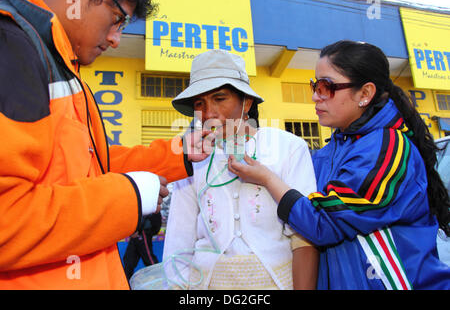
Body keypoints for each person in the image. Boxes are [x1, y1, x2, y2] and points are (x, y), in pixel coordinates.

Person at [0, 0, 210, 289]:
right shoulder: (12, 47)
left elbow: (94, 163)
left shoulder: (62, 67)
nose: (115, 39)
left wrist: (180, 155)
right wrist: (128, 196)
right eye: (116, 19)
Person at [228, 40, 450, 290]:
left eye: (326, 87)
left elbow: (322, 222)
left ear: (365, 94)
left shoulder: (388, 150)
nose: (315, 96)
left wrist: (268, 179)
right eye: (314, 85)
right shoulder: (330, 151)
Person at [158, 49, 318, 290]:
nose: (209, 113)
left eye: (220, 99)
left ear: (247, 102)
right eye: (200, 103)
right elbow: (178, 242)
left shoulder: (288, 148)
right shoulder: (192, 157)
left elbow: (303, 237)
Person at [123, 212, 162, 281]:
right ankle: (127, 283)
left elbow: (147, 213)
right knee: (128, 260)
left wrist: (138, 229)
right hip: (137, 231)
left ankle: (159, 280)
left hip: (142, 231)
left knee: (149, 259)